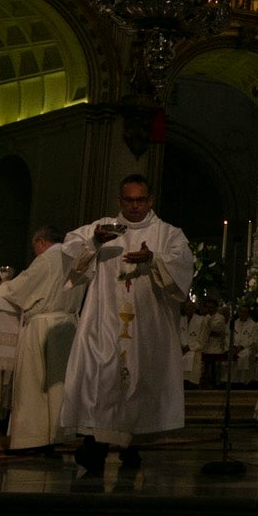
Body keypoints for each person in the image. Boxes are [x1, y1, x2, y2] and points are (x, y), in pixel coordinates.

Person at [59, 174, 193, 473]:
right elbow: (70, 249)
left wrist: (153, 259)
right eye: (129, 200)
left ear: (150, 200)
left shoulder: (168, 233)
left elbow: (182, 262)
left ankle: (132, 446)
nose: (135, 206)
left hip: (147, 324)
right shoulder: (104, 227)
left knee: (139, 381)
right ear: (120, 201)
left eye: (140, 200)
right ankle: (95, 443)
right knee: (103, 378)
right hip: (104, 320)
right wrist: (95, 242)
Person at [0, 226, 84, 453]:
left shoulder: (46, 259)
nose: (35, 253)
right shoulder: (77, 256)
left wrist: (4, 287)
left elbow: (22, 287)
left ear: (42, 242)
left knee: (34, 384)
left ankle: (32, 438)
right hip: (68, 324)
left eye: (35, 247)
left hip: (43, 326)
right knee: (59, 385)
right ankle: (57, 434)